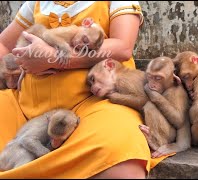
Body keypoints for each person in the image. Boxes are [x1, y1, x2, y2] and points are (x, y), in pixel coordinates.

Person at [0, 1, 168, 178]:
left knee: (122, 158)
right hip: (25, 107)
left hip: (94, 106)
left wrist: (54, 59)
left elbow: (123, 47)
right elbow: (4, 45)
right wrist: (16, 64)